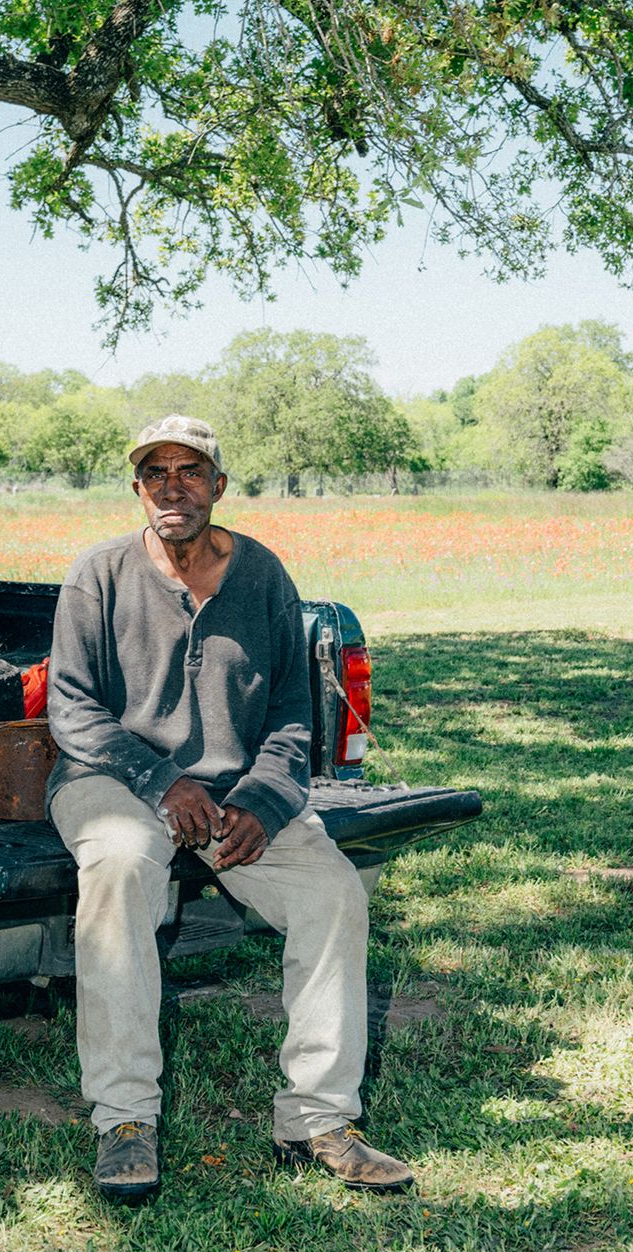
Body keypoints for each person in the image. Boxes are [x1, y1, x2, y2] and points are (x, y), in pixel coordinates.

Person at [46, 415, 414, 1204]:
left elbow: (291, 709)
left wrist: (264, 799)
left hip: (233, 791)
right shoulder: (98, 574)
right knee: (119, 866)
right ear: (137, 489)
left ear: (218, 485)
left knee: (334, 894)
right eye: (155, 474)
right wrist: (159, 782)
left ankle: (317, 1121)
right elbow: (72, 710)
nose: (172, 487)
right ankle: (125, 1122)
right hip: (113, 777)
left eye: (190, 472)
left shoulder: (263, 576)